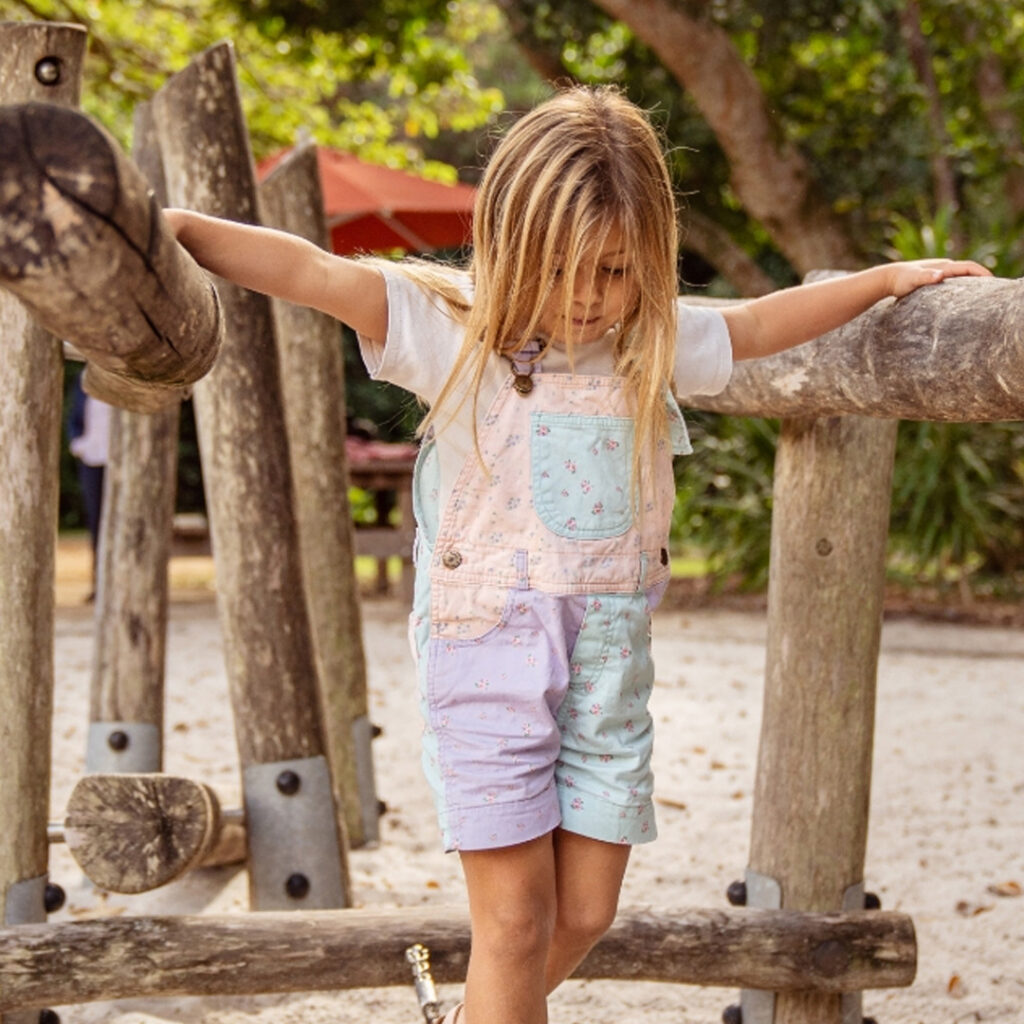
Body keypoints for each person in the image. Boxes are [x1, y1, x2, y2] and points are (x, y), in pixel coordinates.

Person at [165, 85, 989, 1024]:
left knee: (585, 913)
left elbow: (760, 323)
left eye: (616, 271)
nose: (592, 300)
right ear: (514, 244)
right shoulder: (451, 331)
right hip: (485, 659)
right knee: (515, 926)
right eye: (568, 271)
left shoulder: (649, 343)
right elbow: (310, 271)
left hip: (607, 668)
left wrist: (883, 281)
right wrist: (173, 227)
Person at [68, 368, 112, 601]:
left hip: (119, 460)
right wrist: (78, 443)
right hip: (92, 459)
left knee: (121, 520)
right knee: (96, 522)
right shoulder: (82, 379)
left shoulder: (123, 377)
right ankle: (100, 583)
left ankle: (121, 580)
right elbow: (75, 415)